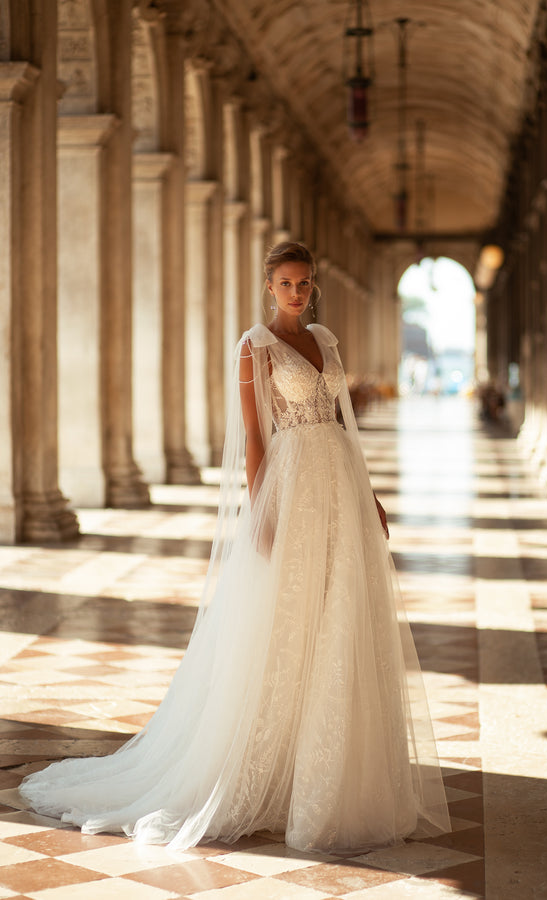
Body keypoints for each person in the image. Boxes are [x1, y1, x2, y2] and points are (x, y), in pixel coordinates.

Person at [20, 242, 450, 853]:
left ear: (313, 286)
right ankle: (264, 768)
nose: (297, 292)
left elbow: (343, 423)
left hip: (340, 485)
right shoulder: (254, 346)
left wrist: (369, 494)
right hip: (294, 485)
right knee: (289, 617)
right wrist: (260, 510)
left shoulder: (325, 341)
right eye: (286, 283)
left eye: (305, 282)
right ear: (269, 285)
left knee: (341, 613)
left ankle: (328, 766)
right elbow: (254, 436)